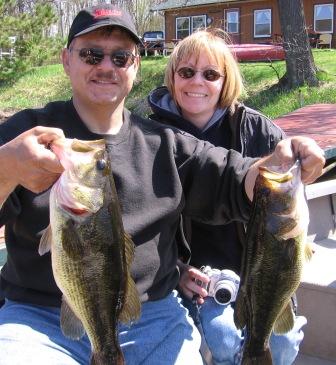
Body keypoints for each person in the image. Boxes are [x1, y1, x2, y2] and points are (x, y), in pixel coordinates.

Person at [0, 5, 325, 365]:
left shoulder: (164, 143)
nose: (106, 66)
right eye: (92, 54)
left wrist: (276, 166)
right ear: (66, 60)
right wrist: (7, 168)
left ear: (135, 66)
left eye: (121, 57)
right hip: (37, 318)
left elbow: (232, 176)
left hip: (151, 316)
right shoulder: (24, 134)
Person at [148, 29, 309, 365]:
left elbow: (290, 187)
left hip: (262, 272)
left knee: (282, 345)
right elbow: (145, 225)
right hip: (196, 277)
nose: (197, 82)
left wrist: (301, 155)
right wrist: (176, 270)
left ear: (226, 81)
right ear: (172, 77)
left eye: (210, 74)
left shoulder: (258, 130)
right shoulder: (150, 139)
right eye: (186, 72)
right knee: (223, 339)